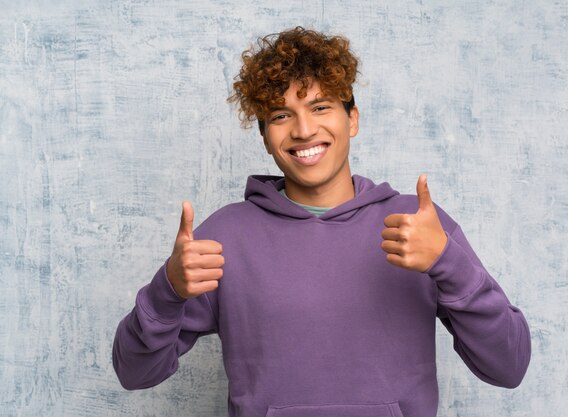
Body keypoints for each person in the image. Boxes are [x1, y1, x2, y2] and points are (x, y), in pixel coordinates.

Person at [113, 26, 531, 417]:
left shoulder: (418, 226)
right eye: (280, 115)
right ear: (264, 135)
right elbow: (135, 374)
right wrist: (166, 291)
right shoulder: (225, 237)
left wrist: (447, 263)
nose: (304, 129)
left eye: (320, 107)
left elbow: (508, 367)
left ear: (352, 119)